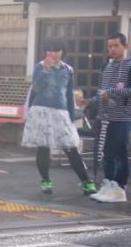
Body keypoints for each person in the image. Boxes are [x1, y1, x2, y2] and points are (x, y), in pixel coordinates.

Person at [22, 40, 96, 195]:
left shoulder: (68, 70)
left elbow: (69, 94)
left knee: (70, 147)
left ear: (63, 51)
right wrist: (45, 71)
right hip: (41, 110)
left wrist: (70, 115)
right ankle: (46, 181)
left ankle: (86, 181)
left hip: (61, 112)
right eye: (50, 51)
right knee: (43, 147)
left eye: (57, 50)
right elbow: (36, 88)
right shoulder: (40, 66)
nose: (53, 54)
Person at [87, 32, 131, 203]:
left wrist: (111, 93)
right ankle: (108, 186)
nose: (112, 49)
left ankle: (119, 189)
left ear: (125, 47)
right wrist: (88, 101)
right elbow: (100, 93)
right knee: (107, 153)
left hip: (122, 118)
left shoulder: (129, 66)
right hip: (104, 117)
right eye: (109, 46)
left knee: (119, 153)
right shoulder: (106, 67)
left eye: (116, 46)